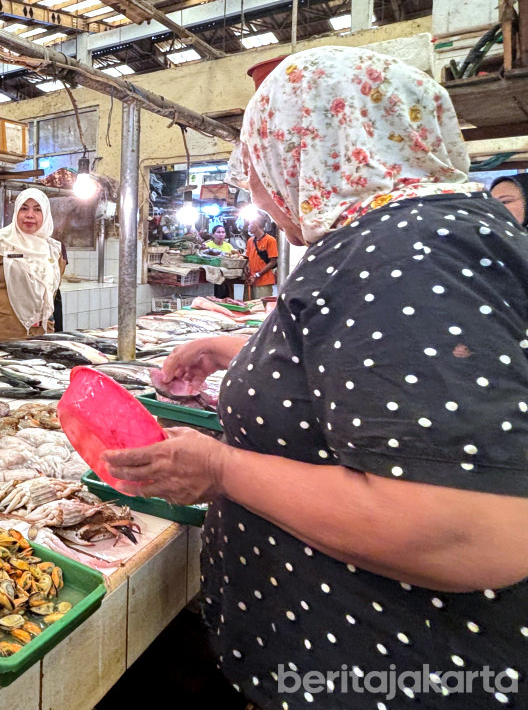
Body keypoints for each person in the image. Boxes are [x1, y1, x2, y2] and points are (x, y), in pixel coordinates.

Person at [103, 47, 528, 710]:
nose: (262, 194)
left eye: (262, 163)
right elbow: (392, 374)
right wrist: (245, 350)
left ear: (311, 147)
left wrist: (221, 469)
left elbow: (466, 526)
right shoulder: (419, 234)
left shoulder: (405, 248)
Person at [0, 188, 66, 349]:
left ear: (46, 215)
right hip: (0, 334)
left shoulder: (53, 249)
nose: (30, 215)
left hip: (40, 335)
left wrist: (50, 324)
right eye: (24, 208)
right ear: (16, 212)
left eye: (37, 209)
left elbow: (51, 292)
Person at [243, 213, 277, 298]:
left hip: (264, 281)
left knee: (262, 307)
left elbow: (273, 262)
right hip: (250, 280)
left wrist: (257, 275)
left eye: (250, 224)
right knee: (248, 306)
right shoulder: (250, 240)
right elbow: (248, 258)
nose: (249, 227)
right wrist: (246, 267)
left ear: (256, 224)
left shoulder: (270, 240)